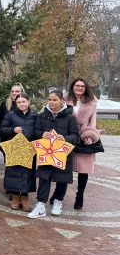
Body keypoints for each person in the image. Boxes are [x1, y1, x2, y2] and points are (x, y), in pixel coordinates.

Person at [28, 90, 79, 218]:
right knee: (44, 178)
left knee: (62, 178)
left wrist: (65, 138)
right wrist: (41, 134)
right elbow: (35, 131)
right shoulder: (42, 116)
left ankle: (58, 201)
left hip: (63, 154)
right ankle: (40, 205)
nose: (51, 102)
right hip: (46, 154)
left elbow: (76, 136)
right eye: (50, 100)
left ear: (62, 100)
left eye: (54, 100)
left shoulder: (70, 117)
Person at [0, 93, 38, 211]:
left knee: (27, 173)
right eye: (19, 102)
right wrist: (12, 129)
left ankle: (25, 197)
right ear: (16, 104)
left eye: (24, 102)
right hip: (15, 148)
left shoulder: (34, 115)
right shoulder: (10, 115)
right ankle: (15, 196)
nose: (22, 104)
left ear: (28, 102)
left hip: (29, 149)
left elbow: (38, 130)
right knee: (14, 172)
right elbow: (2, 129)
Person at [66, 77, 99, 210]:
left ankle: (80, 195)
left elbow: (93, 122)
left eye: (82, 86)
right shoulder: (65, 99)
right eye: (77, 85)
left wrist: (90, 136)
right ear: (73, 87)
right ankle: (59, 194)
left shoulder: (91, 103)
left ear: (86, 88)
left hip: (84, 136)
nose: (80, 88)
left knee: (83, 170)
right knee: (65, 167)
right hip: (68, 136)